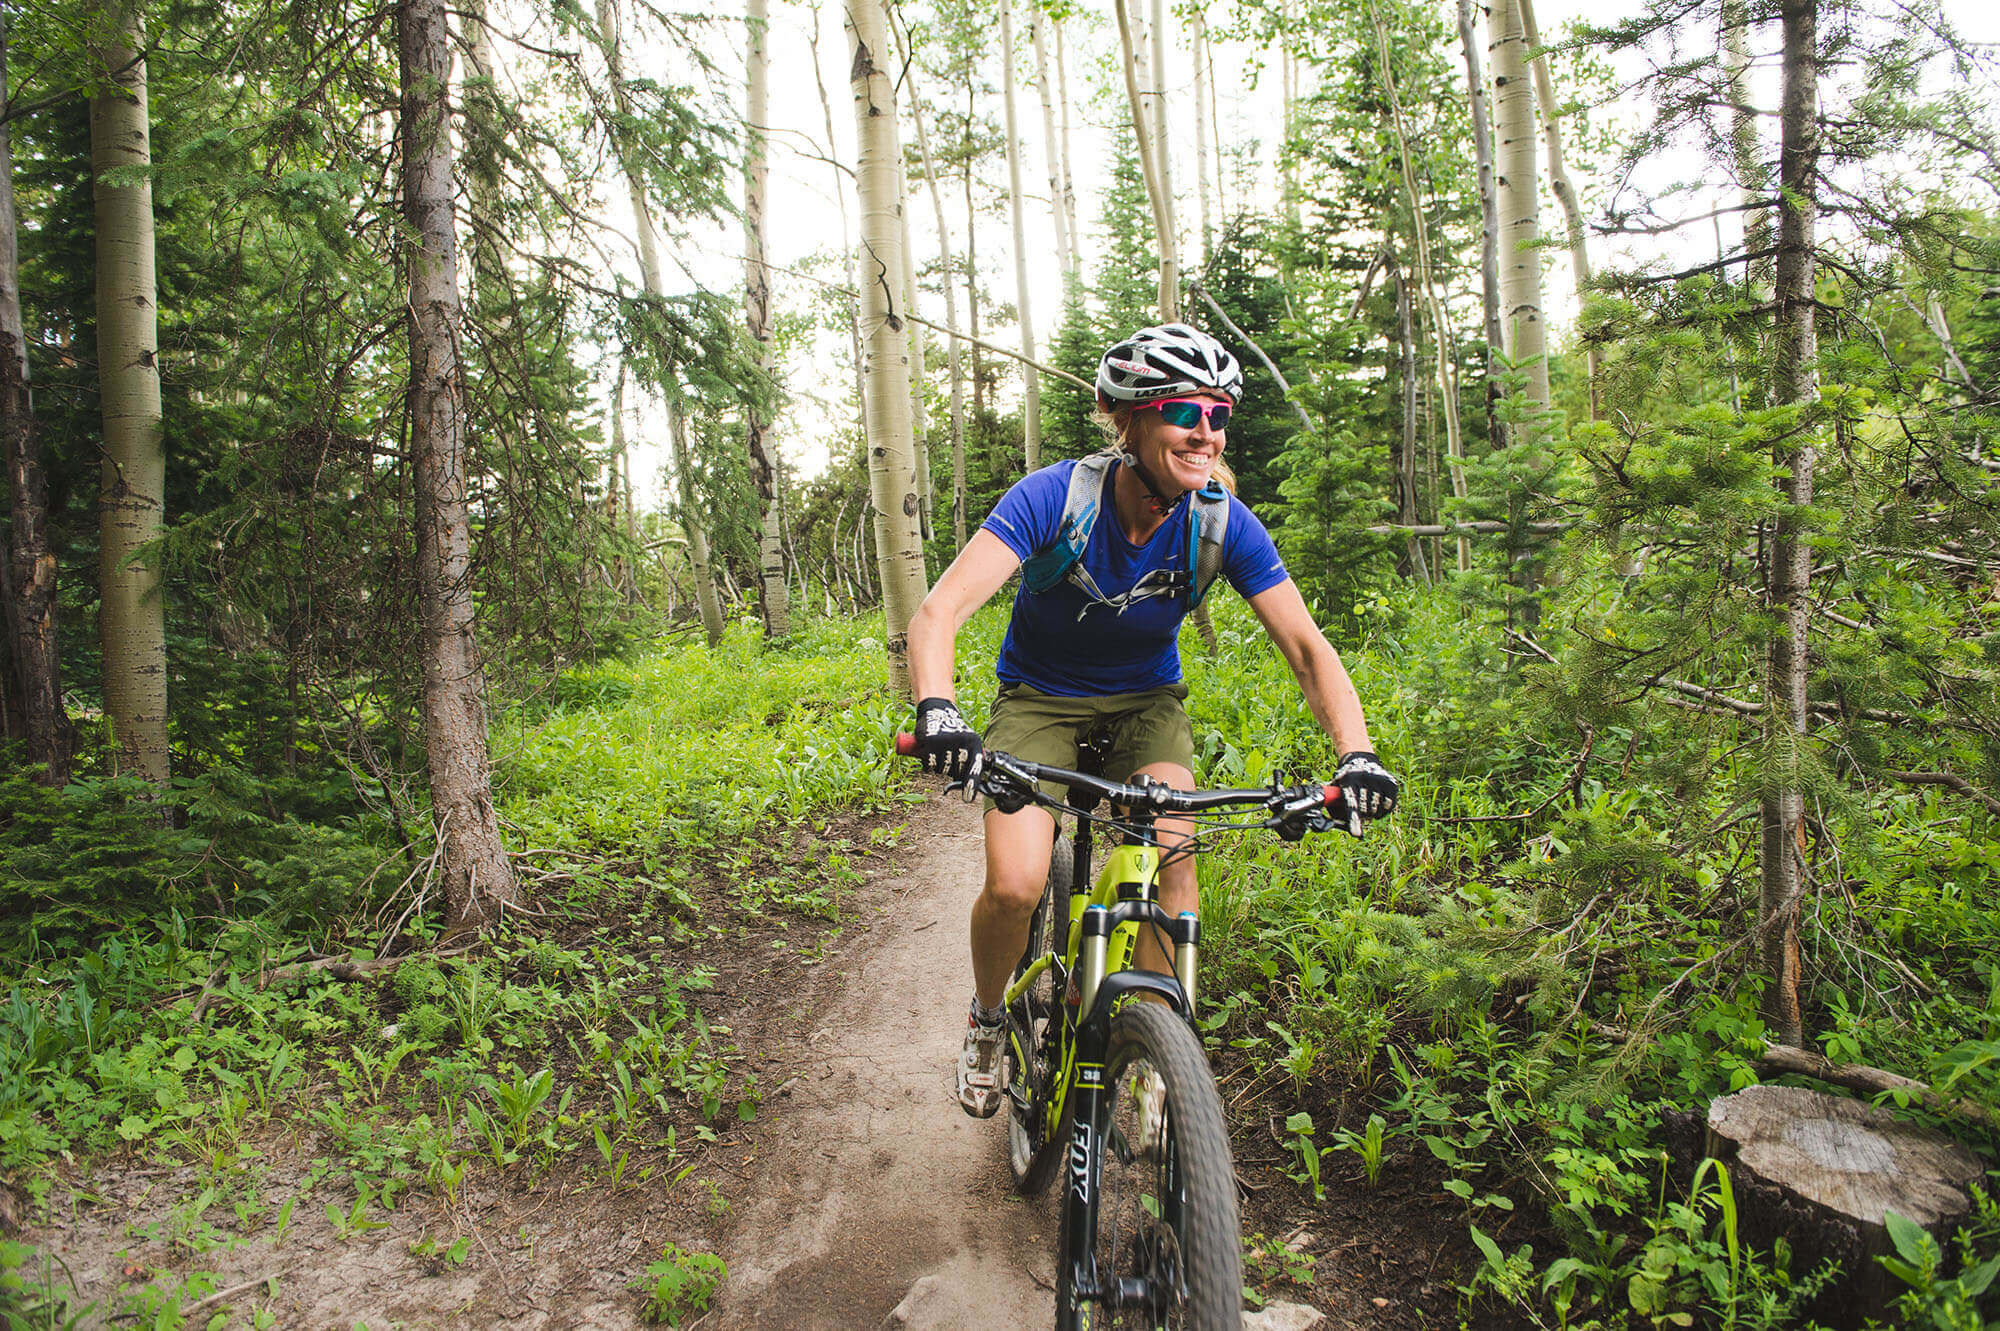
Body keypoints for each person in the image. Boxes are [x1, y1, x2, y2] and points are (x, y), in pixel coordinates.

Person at [904, 322, 1400, 1119]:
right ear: (1124, 416)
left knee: (1174, 869)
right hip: (1039, 698)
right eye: (1182, 408)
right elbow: (939, 613)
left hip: (1147, 706)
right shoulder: (1054, 499)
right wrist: (939, 709)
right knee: (1017, 882)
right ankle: (990, 1019)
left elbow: (1307, 648)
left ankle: (1155, 1053)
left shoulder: (1219, 520)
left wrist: (1358, 755)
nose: (1205, 430)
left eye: (1218, 412)